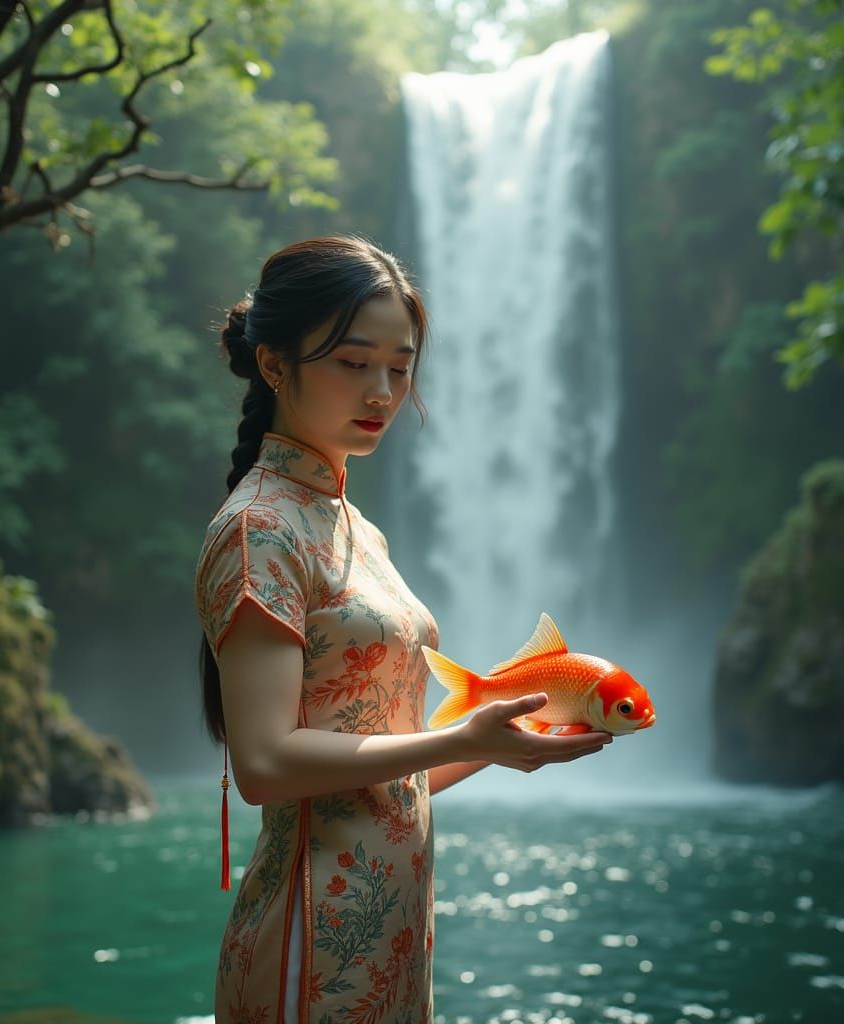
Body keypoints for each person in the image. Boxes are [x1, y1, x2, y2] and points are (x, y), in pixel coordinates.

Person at [194, 234, 613, 1024]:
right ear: (275, 365)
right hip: (308, 948)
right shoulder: (261, 528)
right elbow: (264, 764)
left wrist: (501, 742)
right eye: (354, 363)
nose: (383, 390)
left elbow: (386, 774)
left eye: (400, 364)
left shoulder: (355, 528)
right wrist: (462, 739)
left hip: (390, 936)